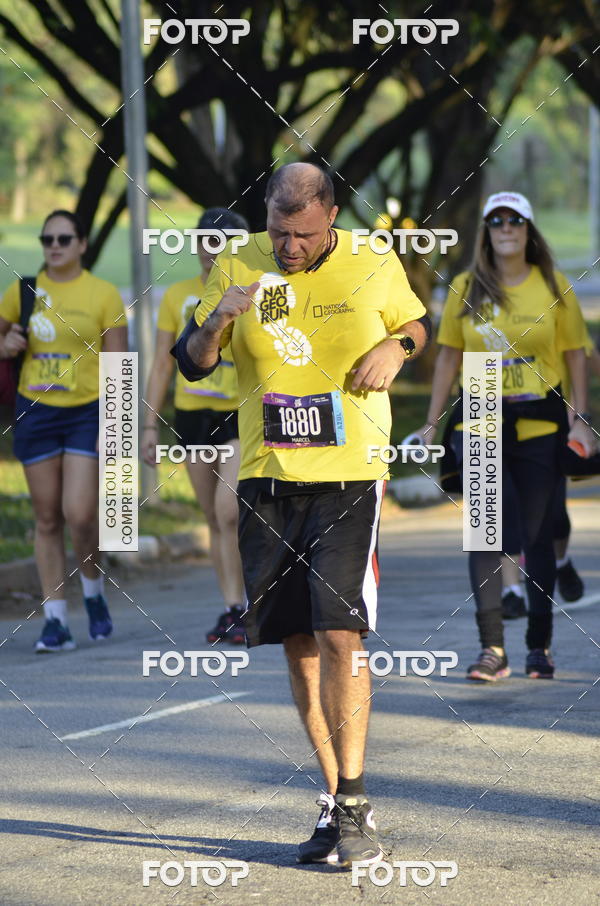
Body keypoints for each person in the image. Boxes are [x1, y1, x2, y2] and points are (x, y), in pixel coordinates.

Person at [174, 162, 429, 868]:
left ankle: (354, 800)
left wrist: (395, 347)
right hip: (265, 476)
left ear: (331, 215)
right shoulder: (236, 262)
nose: (289, 248)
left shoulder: (373, 262)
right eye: (279, 232)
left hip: (349, 475)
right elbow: (194, 363)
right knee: (298, 644)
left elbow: (416, 323)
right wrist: (220, 318)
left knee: (340, 633)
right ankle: (335, 802)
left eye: (304, 235)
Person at [416, 191, 595, 681]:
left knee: (536, 535)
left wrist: (580, 416)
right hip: (480, 416)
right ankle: (491, 648)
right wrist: (432, 423)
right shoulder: (466, 286)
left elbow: (577, 353)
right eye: (496, 221)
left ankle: (540, 646)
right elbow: (449, 357)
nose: (506, 228)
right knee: (485, 533)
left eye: (515, 220)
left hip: (539, 421)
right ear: (486, 232)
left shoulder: (553, 285)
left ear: (529, 230)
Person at [0, 210, 127, 651]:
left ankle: (92, 591)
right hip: (35, 412)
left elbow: (118, 368)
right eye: (47, 238)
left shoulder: (104, 295)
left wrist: (114, 428)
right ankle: (55, 619)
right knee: (47, 516)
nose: (54, 246)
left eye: (63, 238)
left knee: (78, 513)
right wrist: (6, 344)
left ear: (82, 244)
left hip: (86, 412)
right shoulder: (23, 292)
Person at [142, 208, 248, 644]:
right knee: (212, 515)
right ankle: (233, 608)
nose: (214, 249)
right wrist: (148, 425)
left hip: (242, 413)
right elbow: (162, 365)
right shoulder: (176, 296)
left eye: (224, 241)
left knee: (230, 510)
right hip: (192, 417)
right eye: (207, 239)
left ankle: (258, 598)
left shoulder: (253, 291)